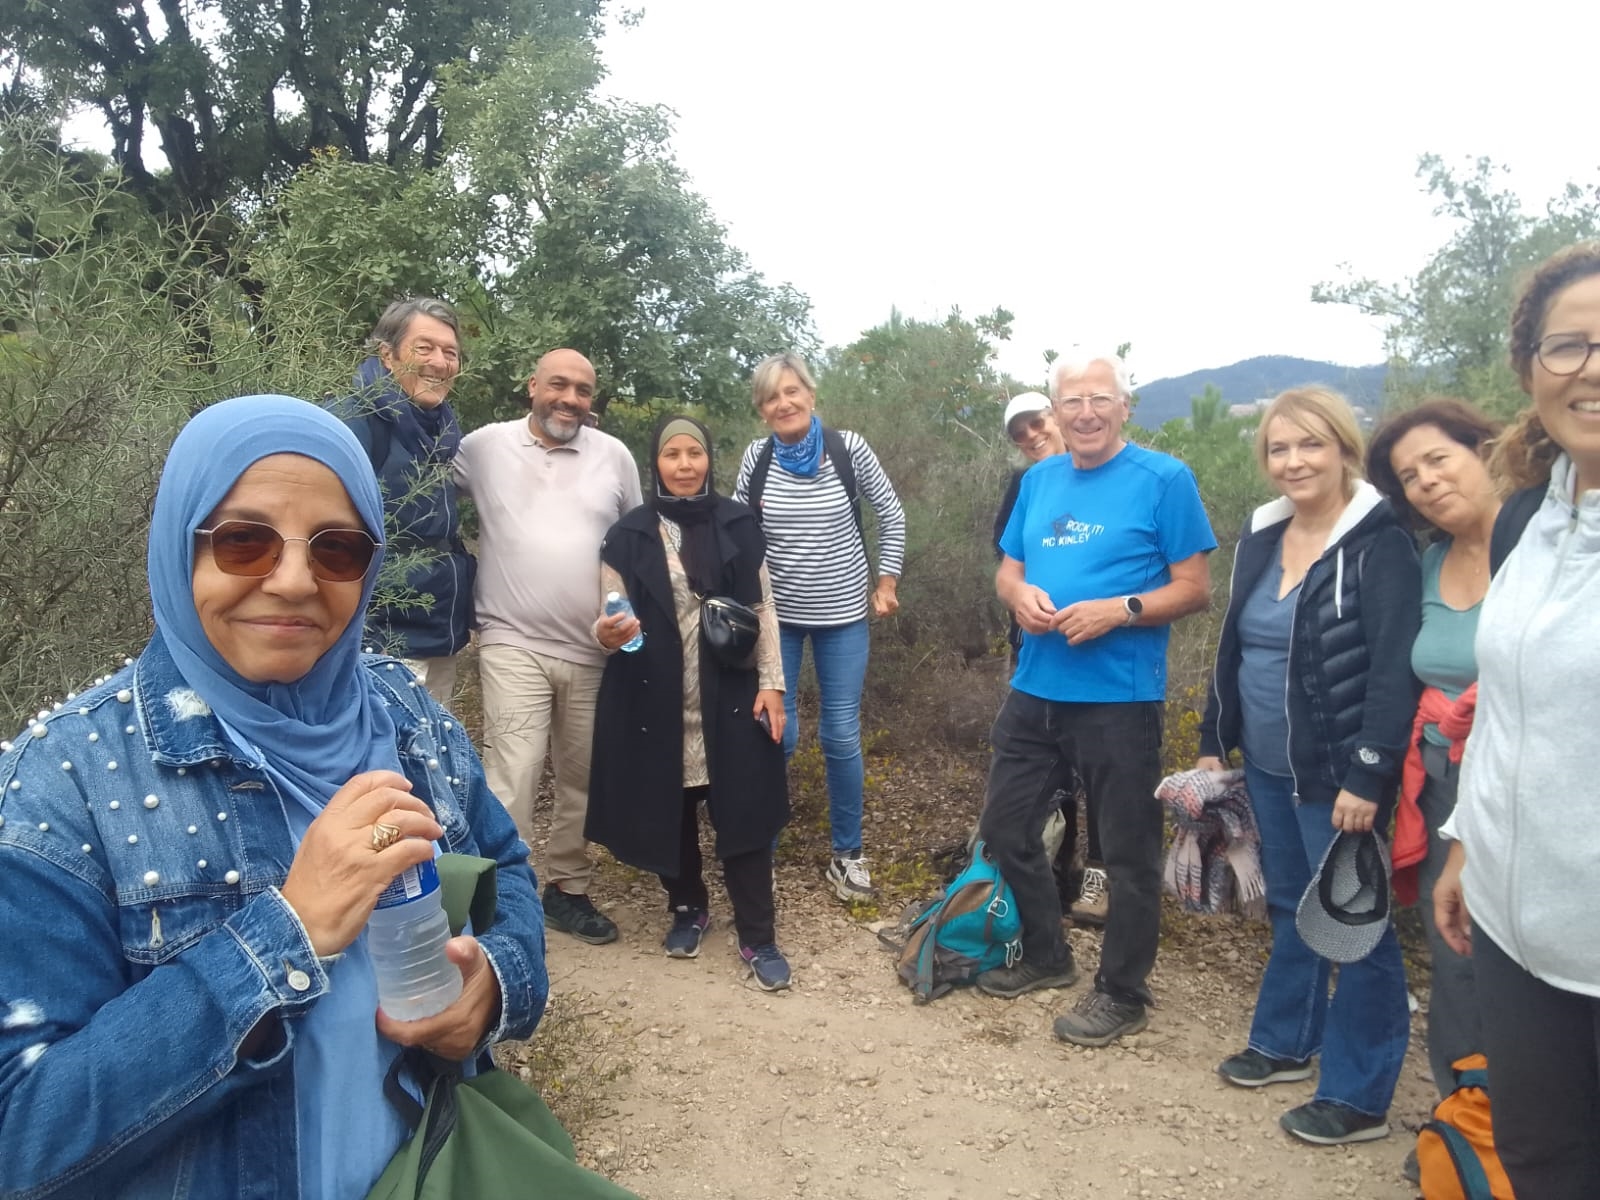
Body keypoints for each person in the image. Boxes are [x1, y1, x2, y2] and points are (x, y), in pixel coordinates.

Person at [0, 395, 547, 1199]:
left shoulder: (404, 716)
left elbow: (509, 870)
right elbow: (22, 1133)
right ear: (176, 549)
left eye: (336, 549)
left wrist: (493, 983)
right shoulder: (67, 779)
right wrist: (284, 935)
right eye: (244, 541)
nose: (293, 582)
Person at [1198, 386, 1420, 1147]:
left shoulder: (1378, 541)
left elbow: (1395, 668)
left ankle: (1359, 1095)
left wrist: (1369, 772)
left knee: (1354, 924)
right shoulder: (1262, 537)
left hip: (1337, 770)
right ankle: (1289, 1041)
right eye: (1280, 449)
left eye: (1310, 444)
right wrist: (1212, 733)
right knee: (1293, 904)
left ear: (1343, 447)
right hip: (1266, 760)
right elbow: (1235, 644)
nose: (1295, 461)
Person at [980, 350, 1216, 1049]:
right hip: (1036, 688)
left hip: (1120, 696)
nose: (1085, 412)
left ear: (1124, 407)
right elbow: (1009, 569)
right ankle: (1050, 956)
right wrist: (1018, 595)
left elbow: (1195, 587)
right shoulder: (1039, 479)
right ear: (1055, 412)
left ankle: (1122, 992)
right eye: (1071, 401)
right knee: (1007, 827)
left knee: (1125, 853)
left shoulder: (1164, 479)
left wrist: (1121, 608)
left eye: (1099, 399)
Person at [1435, 241, 1600, 1199]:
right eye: (1567, 345)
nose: (1591, 369)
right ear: (1530, 368)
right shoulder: (1528, 519)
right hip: (1511, 926)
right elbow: (1506, 702)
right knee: (1543, 1165)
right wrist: (1464, 848)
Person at [585, 416, 792, 989]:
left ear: (708, 459)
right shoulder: (627, 534)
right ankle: (687, 907)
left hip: (732, 692)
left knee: (745, 810)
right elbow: (610, 613)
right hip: (654, 694)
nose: (683, 464)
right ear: (655, 463)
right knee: (667, 808)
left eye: (693, 453)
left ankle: (758, 933)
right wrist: (607, 633)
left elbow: (765, 606)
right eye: (671, 454)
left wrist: (772, 683)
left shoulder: (738, 523)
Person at [452, 348, 642, 945]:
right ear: (532, 386)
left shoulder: (614, 456)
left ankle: (568, 890)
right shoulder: (485, 446)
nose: (570, 399)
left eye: (583, 391)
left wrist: (629, 614)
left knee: (582, 779)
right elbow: (416, 490)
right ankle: (506, 904)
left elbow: (638, 547)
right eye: (558, 385)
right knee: (514, 772)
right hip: (513, 640)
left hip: (594, 651)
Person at [1365, 399, 1503, 1111]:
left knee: (1530, 965)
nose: (1425, 482)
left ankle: (1534, 1136)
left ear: (1485, 449)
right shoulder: (1431, 563)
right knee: (1457, 956)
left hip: (1525, 785)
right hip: (1441, 780)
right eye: (1409, 476)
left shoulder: (1551, 545)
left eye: (1438, 459)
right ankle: (1463, 1122)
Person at [732, 352, 906, 903]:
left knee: (840, 735)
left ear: (810, 394)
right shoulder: (756, 460)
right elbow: (737, 531)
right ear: (762, 410)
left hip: (845, 617)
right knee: (776, 734)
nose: (783, 403)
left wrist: (887, 581)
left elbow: (891, 513)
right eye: (771, 397)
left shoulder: (847, 449)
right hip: (776, 618)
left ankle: (848, 854)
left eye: (791, 392)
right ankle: (766, 845)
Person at [992, 393, 1106, 926]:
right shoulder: (1025, 486)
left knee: (1101, 769)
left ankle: (1100, 875)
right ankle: (1055, 870)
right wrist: (1021, 598)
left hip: (1103, 652)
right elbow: (1008, 560)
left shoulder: (1111, 475)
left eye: (1036, 423)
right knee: (1046, 770)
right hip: (1036, 650)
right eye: (1019, 433)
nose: (1031, 436)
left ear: (1057, 418)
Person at [334, 297, 475, 706]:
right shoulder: (353, 425)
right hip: (376, 641)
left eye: (450, 353)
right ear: (388, 355)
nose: (439, 362)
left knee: (431, 753)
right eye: (424, 348)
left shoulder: (445, 435)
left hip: (435, 635)